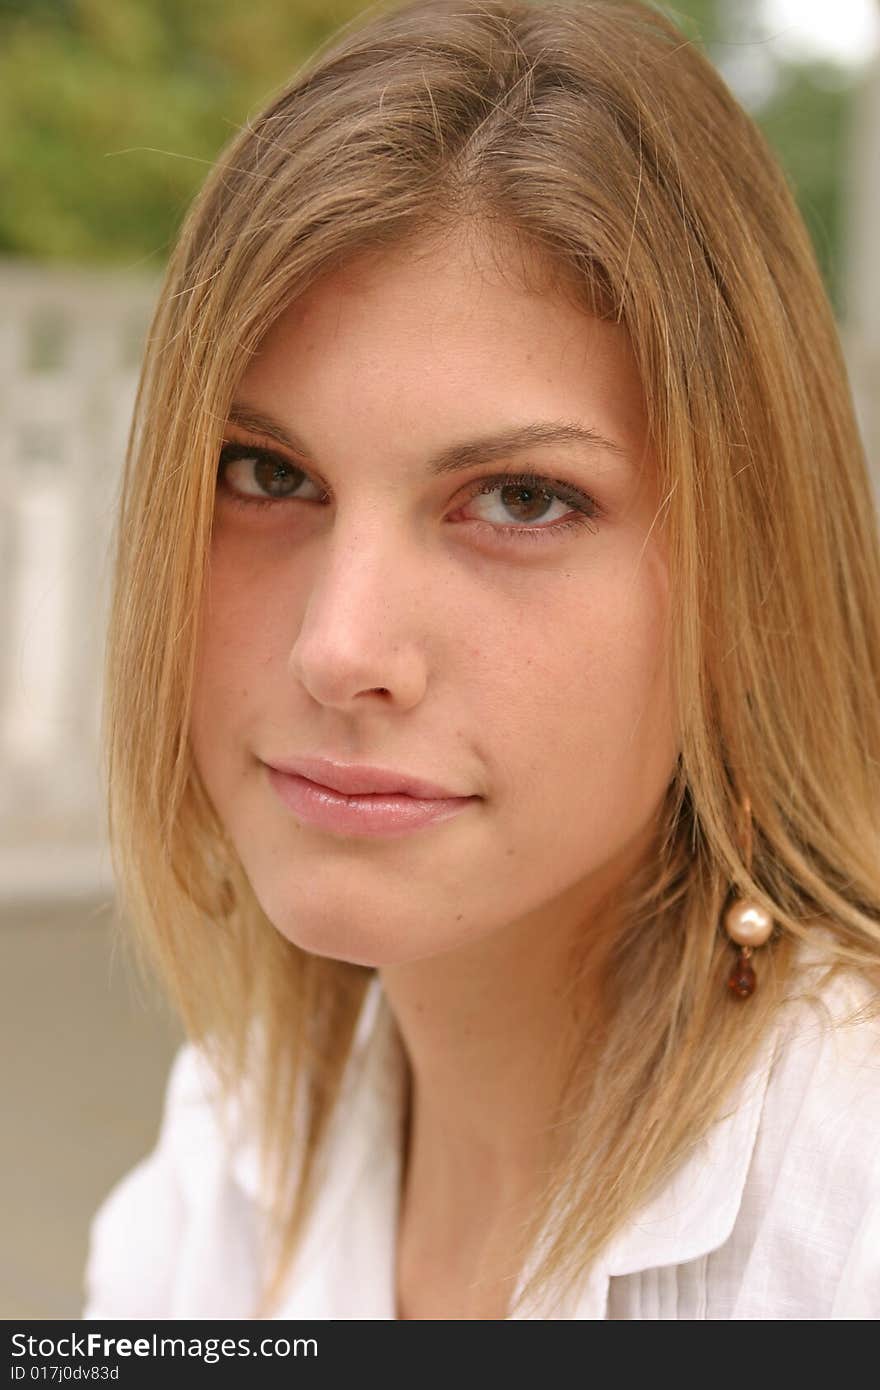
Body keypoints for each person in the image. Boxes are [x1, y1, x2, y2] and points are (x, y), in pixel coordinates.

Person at [81, 0, 880, 1320]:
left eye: (518, 500)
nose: (340, 650)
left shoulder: (844, 1216)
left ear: (750, 571)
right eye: (267, 473)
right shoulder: (224, 1161)